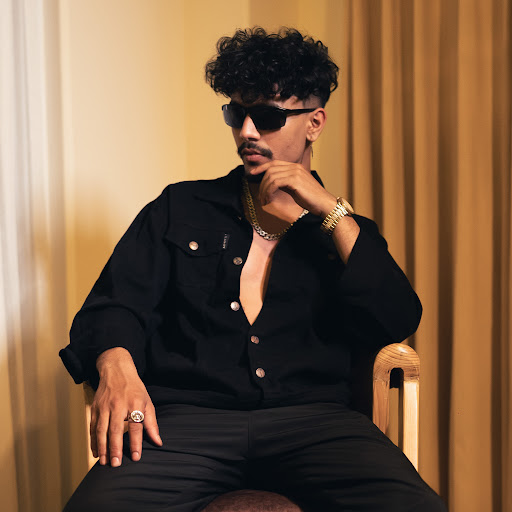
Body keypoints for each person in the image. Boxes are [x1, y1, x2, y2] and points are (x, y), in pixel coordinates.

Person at [60, 27, 446, 512]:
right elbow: (112, 305)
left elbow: (397, 317)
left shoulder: (346, 234)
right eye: (235, 114)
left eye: (266, 117)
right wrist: (115, 363)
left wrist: (330, 212)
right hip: (187, 424)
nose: (246, 132)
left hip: (316, 425)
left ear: (314, 123)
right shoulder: (180, 207)